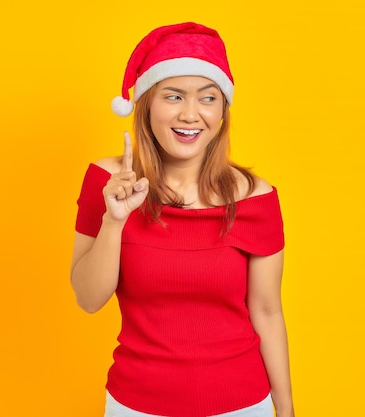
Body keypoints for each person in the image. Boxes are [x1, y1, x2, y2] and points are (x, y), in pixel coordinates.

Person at [70, 22, 295, 417]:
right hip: (135, 405)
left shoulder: (257, 198)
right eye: (173, 96)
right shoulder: (108, 183)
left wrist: (286, 408)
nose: (190, 114)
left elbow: (267, 312)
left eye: (207, 98)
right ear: (147, 106)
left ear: (222, 111)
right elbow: (89, 299)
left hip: (241, 405)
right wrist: (114, 221)